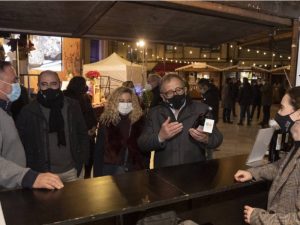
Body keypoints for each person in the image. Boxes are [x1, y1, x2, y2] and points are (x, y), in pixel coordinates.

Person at [234, 86, 300, 224]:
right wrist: (254, 173)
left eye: (282, 108)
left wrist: (259, 218)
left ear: (298, 114)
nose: (278, 114)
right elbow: (282, 167)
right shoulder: (297, 145)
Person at [16, 70, 89, 182]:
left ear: (59, 84)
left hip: (72, 171)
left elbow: (82, 133)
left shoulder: (72, 105)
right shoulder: (29, 111)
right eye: (44, 84)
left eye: (53, 84)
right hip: (43, 175)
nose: (49, 88)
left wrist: (82, 159)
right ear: (38, 86)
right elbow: (22, 142)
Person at [0, 61, 63, 190]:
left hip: (13, 185)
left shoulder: (5, 110)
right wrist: (28, 176)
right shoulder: (26, 110)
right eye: (13, 81)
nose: (17, 86)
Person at [138, 74, 223, 168]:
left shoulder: (202, 111)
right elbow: (143, 144)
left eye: (179, 90)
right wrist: (160, 137)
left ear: (185, 90)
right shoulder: (154, 114)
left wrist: (206, 139)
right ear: (162, 96)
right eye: (169, 92)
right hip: (165, 175)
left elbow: (217, 138)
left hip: (195, 173)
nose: (175, 94)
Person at [93, 86, 149, 176]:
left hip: (135, 170)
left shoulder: (139, 121)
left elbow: (145, 151)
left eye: (129, 101)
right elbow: (99, 151)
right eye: (121, 101)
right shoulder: (106, 122)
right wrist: (97, 176)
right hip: (110, 170)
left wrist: (145, 170)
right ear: (114, 102)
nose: (126, 104)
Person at [63, 76, 98, 178]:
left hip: (88, 135)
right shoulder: (68, 99)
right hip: (76, 137)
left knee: (88, 159)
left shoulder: (85, 98)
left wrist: (93, 127)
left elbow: (91, 115)